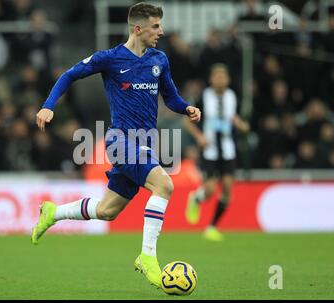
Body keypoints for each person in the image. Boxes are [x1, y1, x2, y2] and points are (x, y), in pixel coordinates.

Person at [31, 2, 201, 288]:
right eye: (155, 26)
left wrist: (186, 109)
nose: (161, 31)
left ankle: (53, 212)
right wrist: (48, 106)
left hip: (145, 143)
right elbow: (69, 75)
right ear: (138, 28)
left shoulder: (159, 60)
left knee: (108, 210)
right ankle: (147, 257)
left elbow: (170, 97)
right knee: (164, 185)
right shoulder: (110, 59)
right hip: (120, 140)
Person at [184, 64, 249, 241]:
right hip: (210, 150)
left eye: (223, 76)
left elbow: (236, 120)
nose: (220, 79)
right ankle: (196, 198)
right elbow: (187, 122)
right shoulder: (203, 98)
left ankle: (212, 227)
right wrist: (199, 137)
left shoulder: (232, 97)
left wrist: (241, 125)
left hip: (228, 149)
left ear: (227, 80)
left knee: (228, 188)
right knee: (211, 189)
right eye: (217, 76)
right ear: (211, 79)